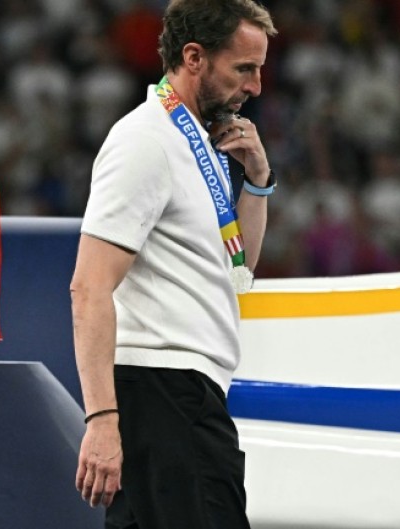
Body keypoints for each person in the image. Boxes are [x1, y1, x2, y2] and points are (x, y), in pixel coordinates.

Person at [70, 1, 277, 527]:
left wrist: (255, 180)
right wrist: (101, 420)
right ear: (194, 57)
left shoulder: (195, 143)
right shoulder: (146, 141)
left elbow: (239, 272)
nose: (255, 87)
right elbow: (89, 288)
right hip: (165, 398)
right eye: (244, 69)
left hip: (180, 395)